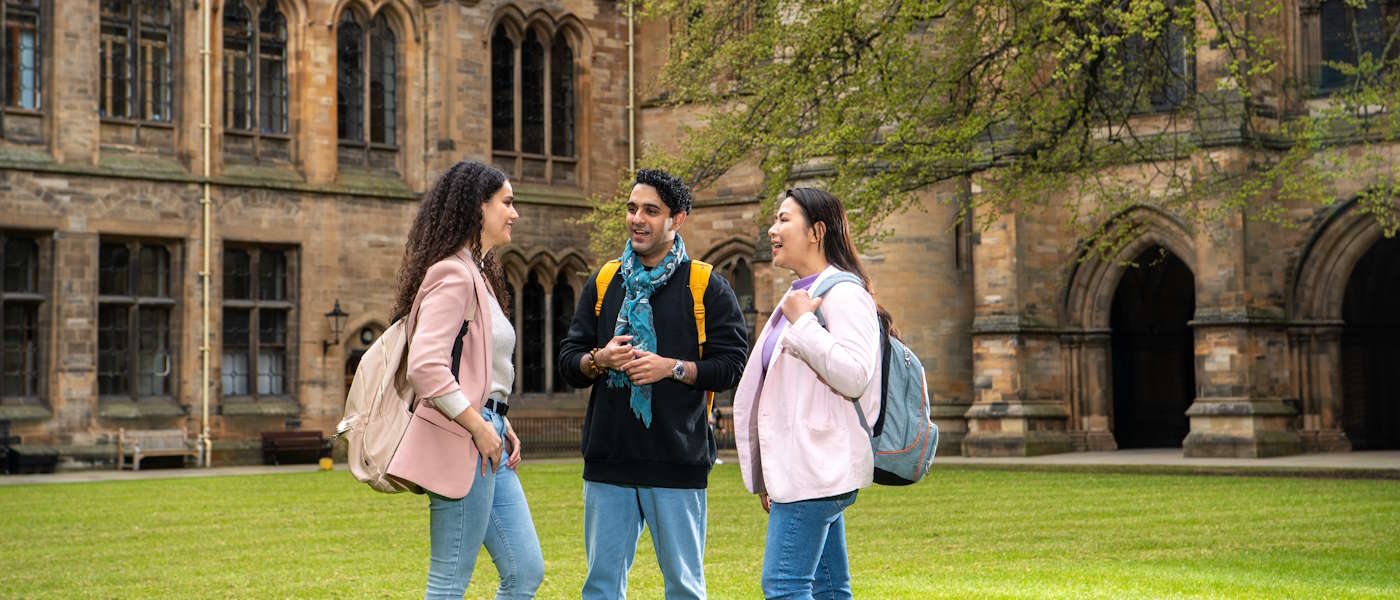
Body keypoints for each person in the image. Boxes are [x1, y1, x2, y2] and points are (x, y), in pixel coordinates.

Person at [558, 168, 749, 600]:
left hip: (677, 462)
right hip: (609, 461)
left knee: (684, 588)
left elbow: (733, 365)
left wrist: (671, 368)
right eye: (631, 209)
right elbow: (569, 360)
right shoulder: (605, 282)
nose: (637, 219)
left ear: (676, 219)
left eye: (650, 210)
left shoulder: (707, 287)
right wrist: (599, 359)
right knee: (601, 588)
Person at [398, 160, 544, 599]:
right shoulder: (453, 273)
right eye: (507, 202)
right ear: (478, 208)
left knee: (525, 570)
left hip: (488, 435)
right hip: (464, 440)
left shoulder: (479, 273)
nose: (514, 213)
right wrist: (480, 424)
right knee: (448, 582)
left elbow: (477, 363)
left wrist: (500, 418)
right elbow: (425, 365)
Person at [731, 188, 884, 600]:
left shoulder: (845, 294)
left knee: (784, 586)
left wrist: (804, 325)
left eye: (783, 219)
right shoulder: (799, 294)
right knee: (830, 589)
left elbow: (855, 375)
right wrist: (770, 471)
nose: (772, 229)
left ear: (816, 231)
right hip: (801, 469)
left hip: (817, 469)